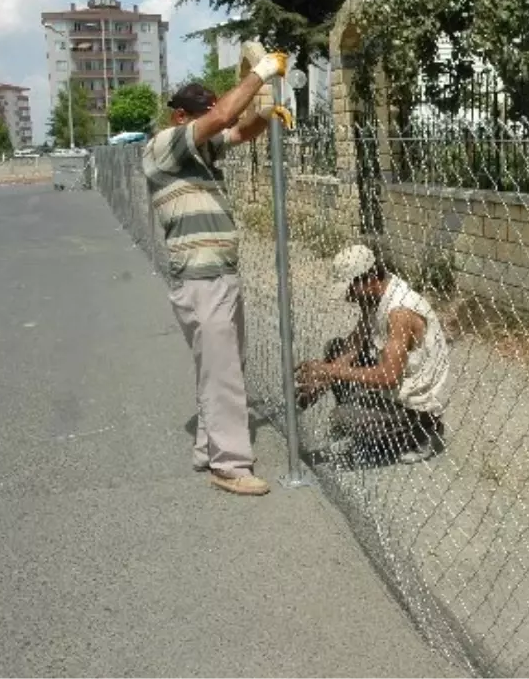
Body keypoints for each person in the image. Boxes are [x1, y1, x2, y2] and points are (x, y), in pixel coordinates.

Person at [143, 50, 292, 496]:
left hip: (221, 275)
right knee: (223, 371)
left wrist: (265, 114)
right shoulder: (164, 147)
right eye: (203, 116)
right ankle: (229, 465)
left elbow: (238, 128)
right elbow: (227, 114)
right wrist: (262, 72)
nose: (214, 122)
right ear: (180, 116)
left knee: (223, 366)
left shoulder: (202, 152)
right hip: (200, 279)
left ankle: (209, 448)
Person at [295, 244, 450, 464]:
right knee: (336, 348)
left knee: (342, 419)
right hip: (394, 384)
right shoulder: (376, 297)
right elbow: (354, 345)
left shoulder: (400, 313)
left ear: (369, 280)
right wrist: (321, 381)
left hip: (412, 401)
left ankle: (423, 432)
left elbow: (389, 377)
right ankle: (367, 418)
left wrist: (330, 370)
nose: (348, 296)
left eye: (350, 288)